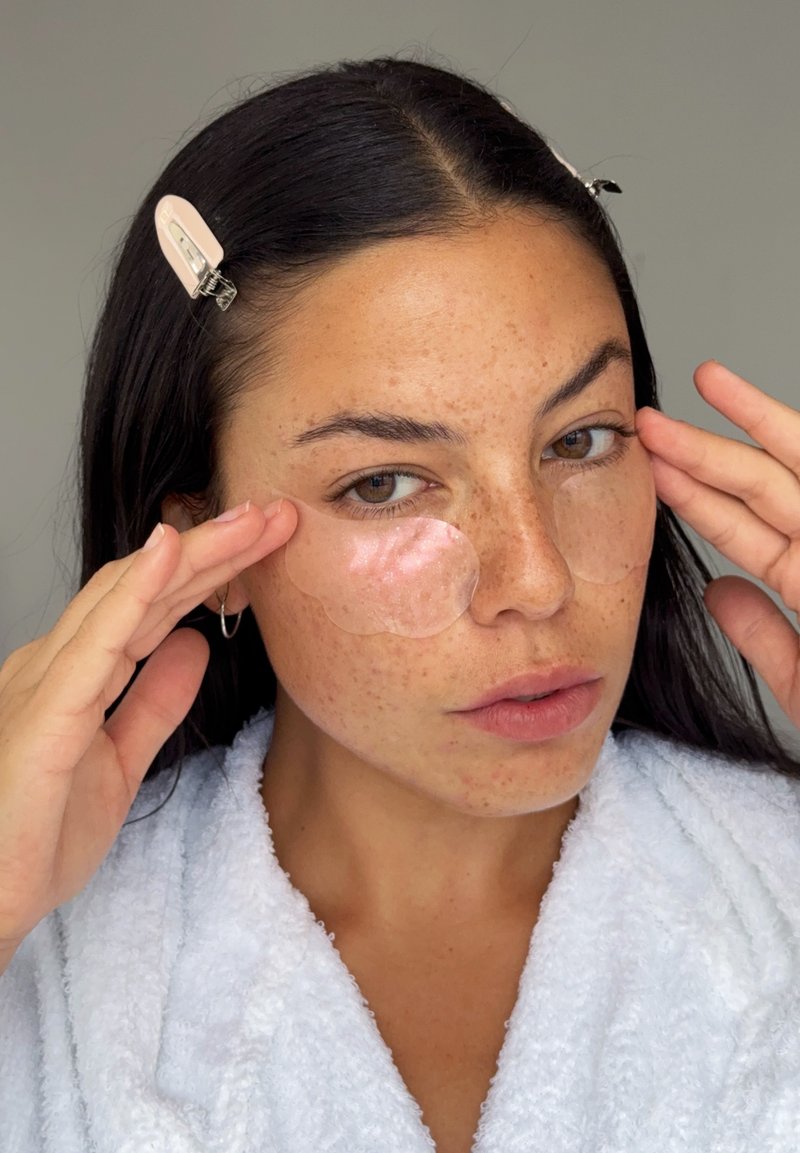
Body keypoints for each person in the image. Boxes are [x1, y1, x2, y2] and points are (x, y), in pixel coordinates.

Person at [1, 53, 799, 1153]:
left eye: (578, 441)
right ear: (200, 543)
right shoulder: (43, 945)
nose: (537, 579)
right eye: (382, 483)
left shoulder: (778, 887)